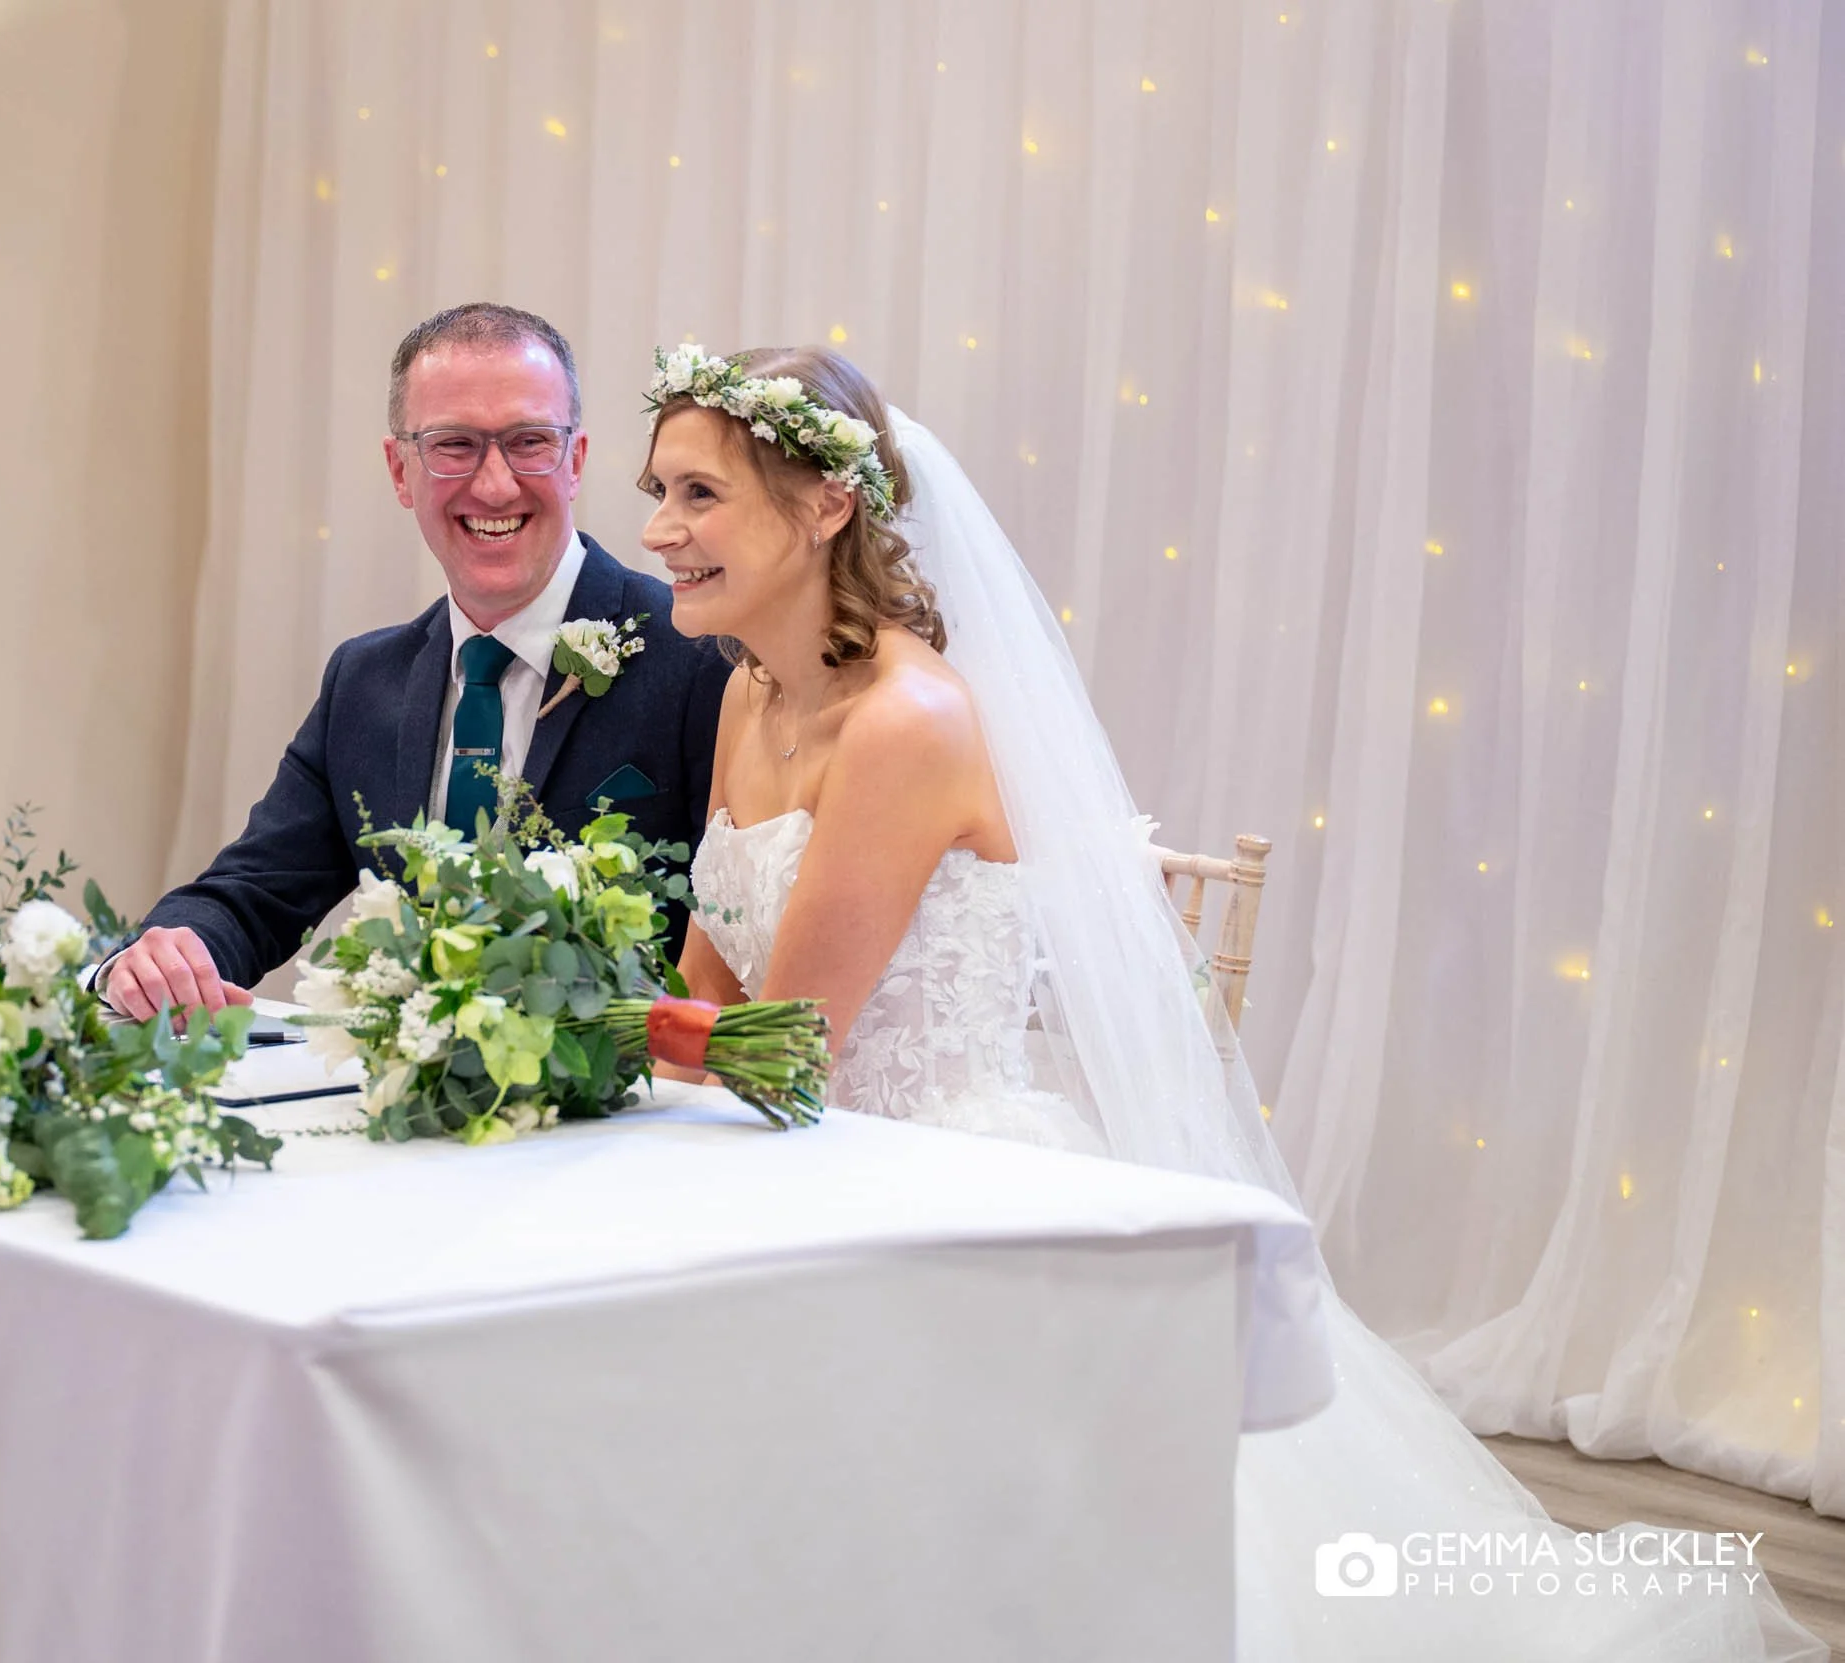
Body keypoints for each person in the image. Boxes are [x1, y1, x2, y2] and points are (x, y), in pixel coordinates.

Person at [640, 340, 1822, 1660]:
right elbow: (708, 988)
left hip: (927, 1178)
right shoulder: (753, 690)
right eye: (660, 491)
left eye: (697, 494)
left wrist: (589, 1035)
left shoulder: (905, 719)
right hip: (799, 1154)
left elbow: (784, 1042)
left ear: (824, 503)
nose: (658, 530)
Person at [96, 304, 731, 1022]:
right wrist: (154, 961)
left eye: (528, 441)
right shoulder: (363, 682)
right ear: (401, 470)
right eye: (454, 445)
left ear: (575, 460)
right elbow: (253, 893)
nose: (494, 485)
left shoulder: (697, 658)